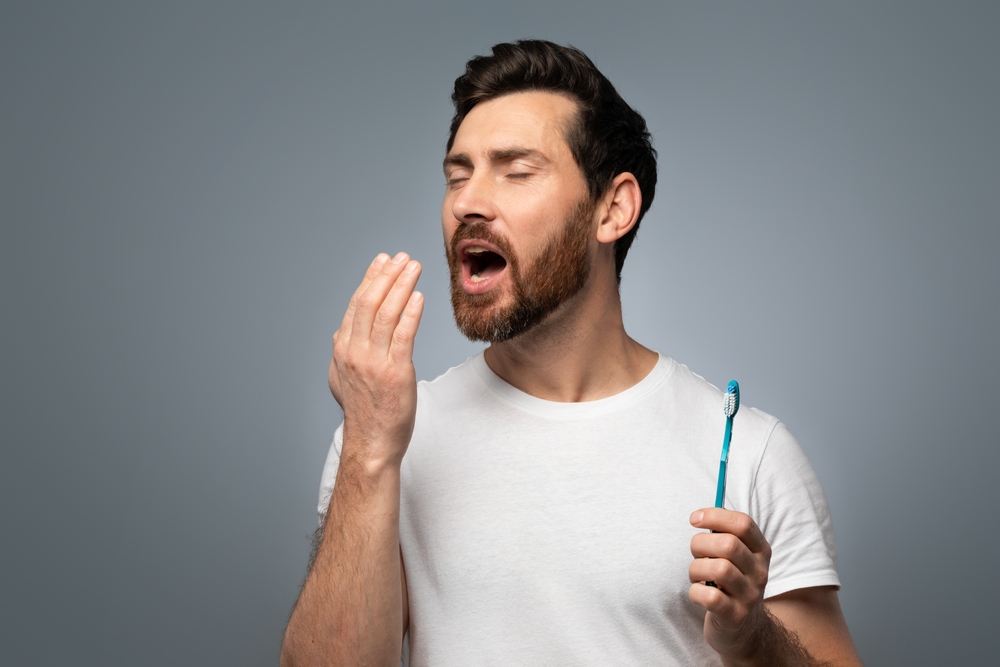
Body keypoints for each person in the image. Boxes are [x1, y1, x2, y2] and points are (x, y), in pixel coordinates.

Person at [281, 40, 863, 667]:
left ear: (613, 208)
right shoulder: (386, 439)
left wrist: (753, 641)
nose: (466, 202)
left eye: (515, 171)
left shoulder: (750, 451)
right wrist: (369, 448)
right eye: (458, 175)